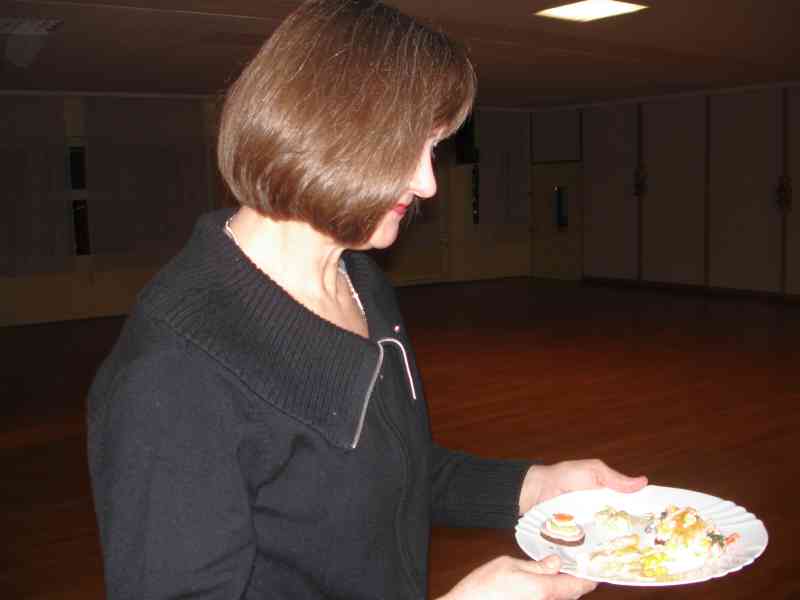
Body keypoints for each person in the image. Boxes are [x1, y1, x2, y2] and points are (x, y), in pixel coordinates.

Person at [86, 1, 647, 598]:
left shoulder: (358, 280)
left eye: (434, 148)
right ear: (327, 130)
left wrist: (532, 487)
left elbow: (389, 471)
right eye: (410, 146)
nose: (428, 182)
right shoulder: (174, 376)